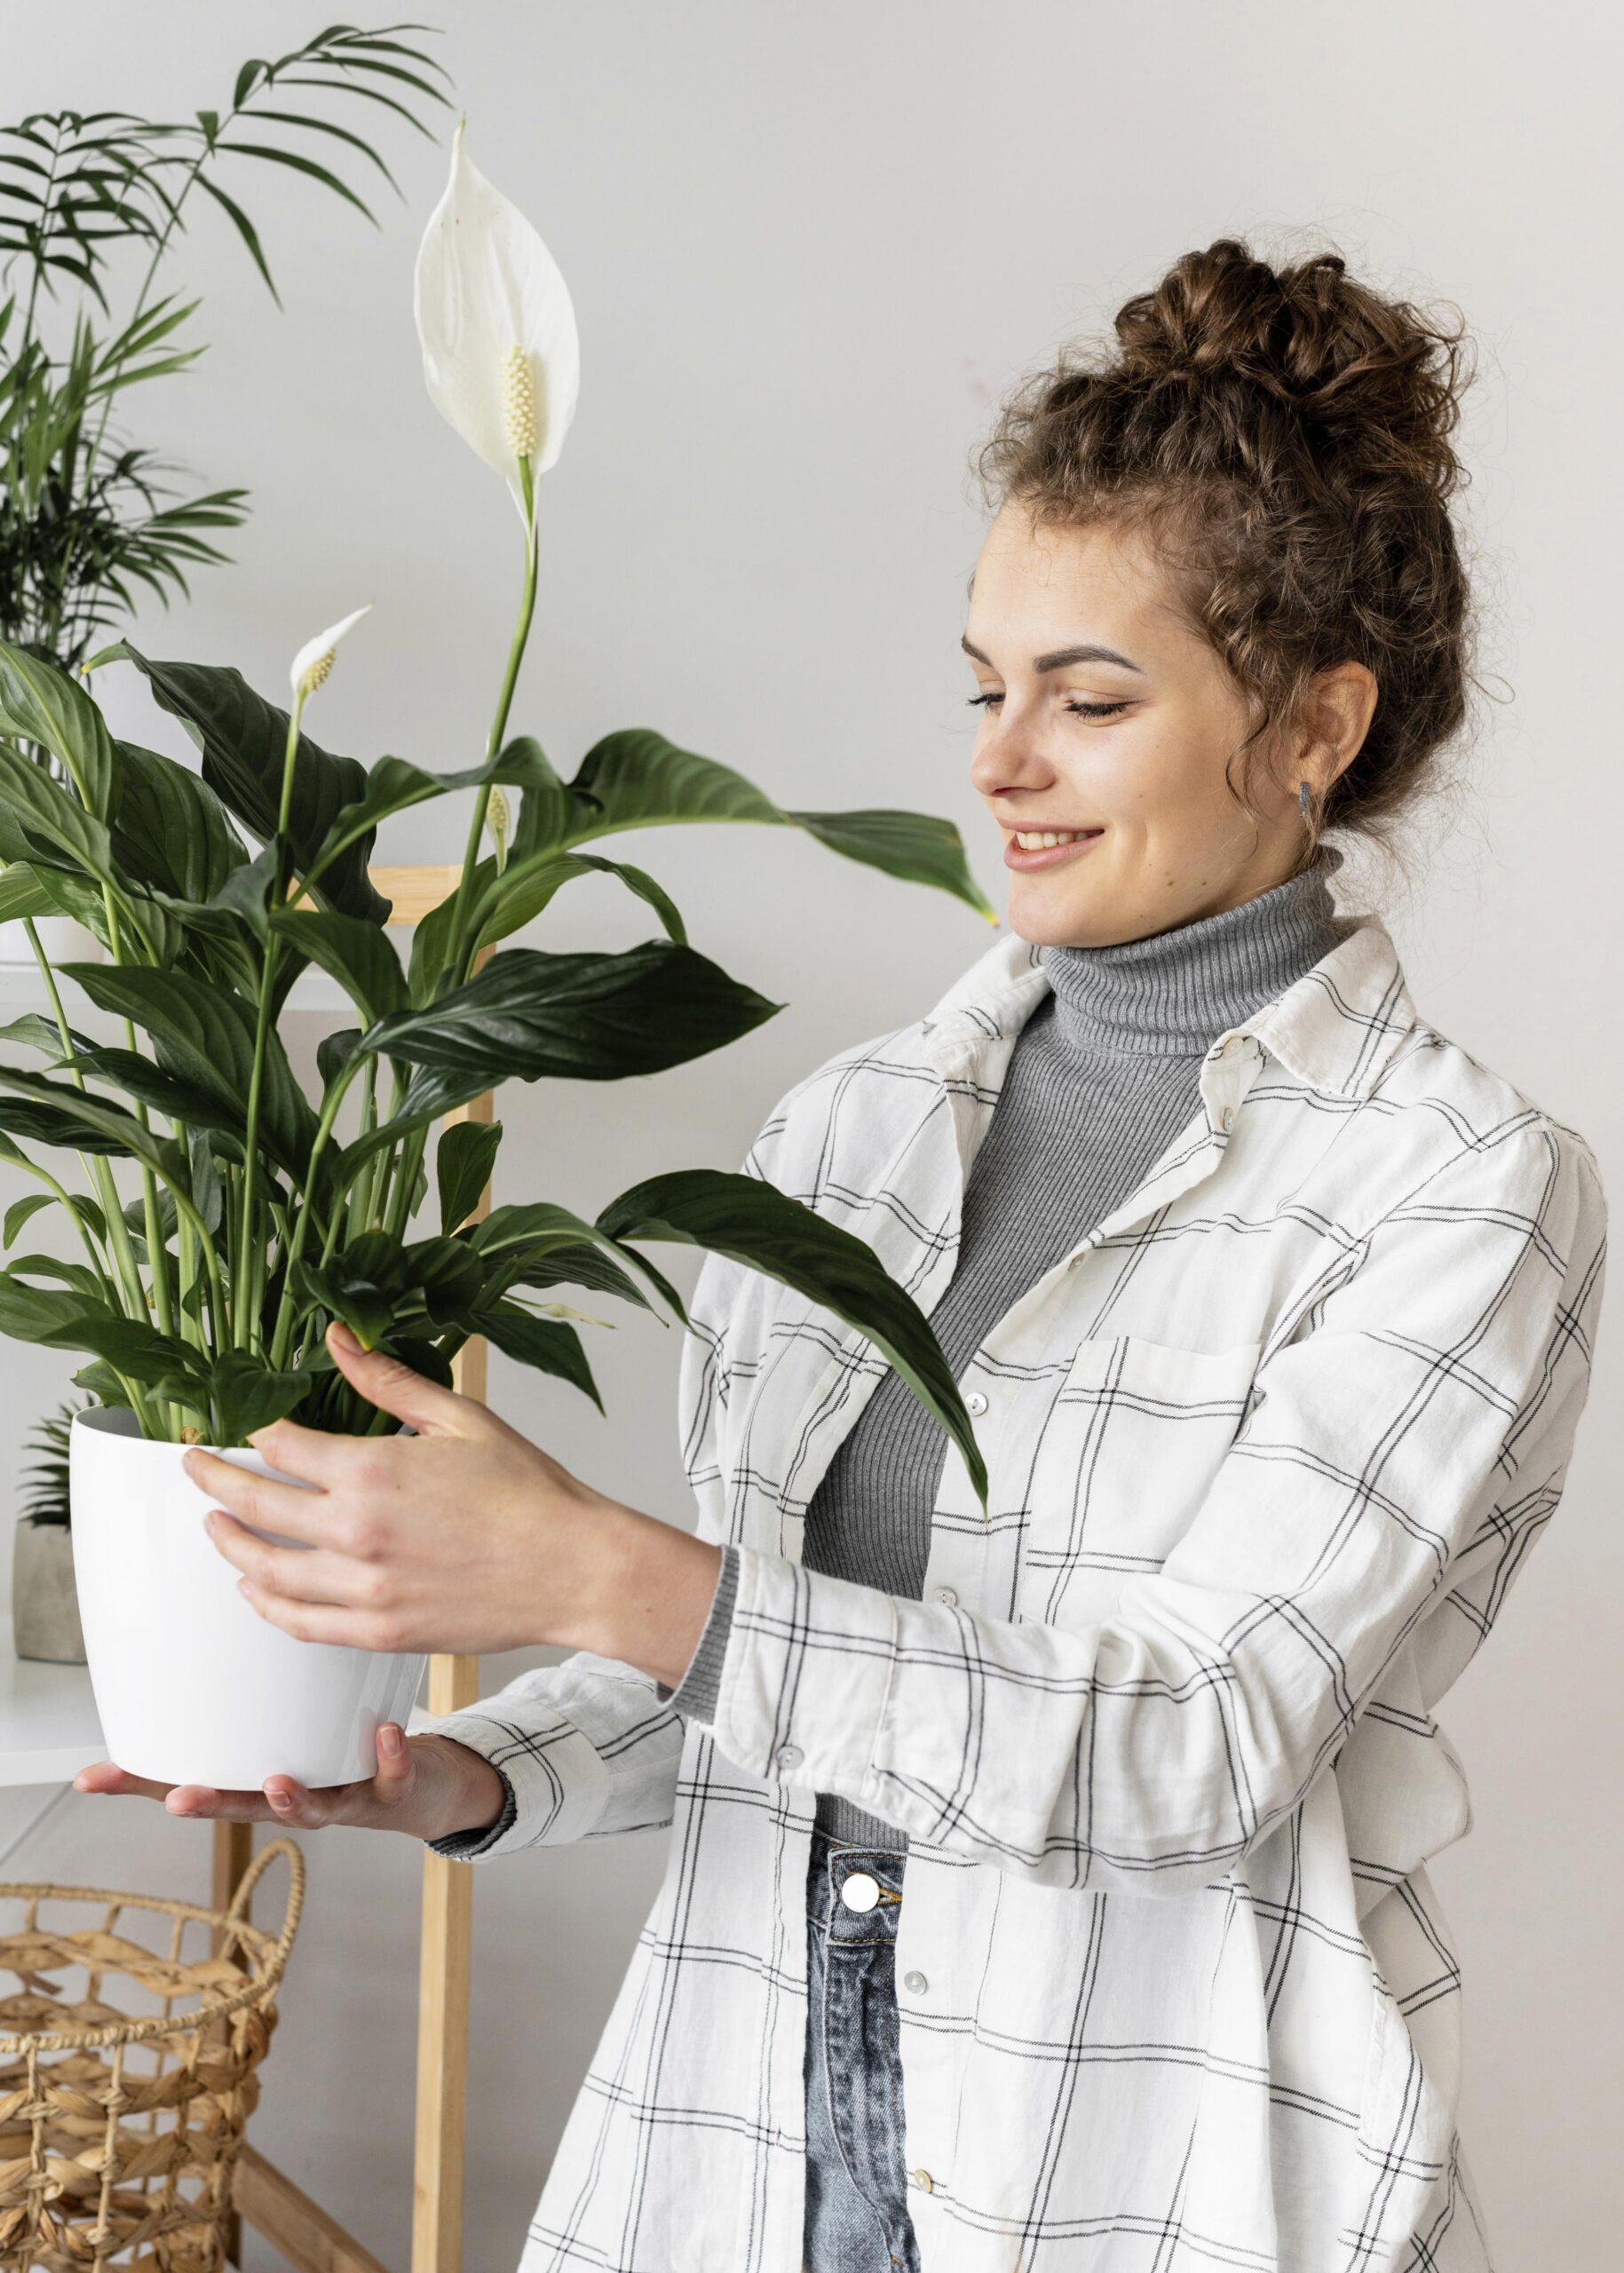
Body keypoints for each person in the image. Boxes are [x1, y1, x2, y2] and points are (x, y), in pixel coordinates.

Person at [78, 238, 1608, 2273]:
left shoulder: (1459, 1188)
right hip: (748, 2119)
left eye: (1090, 696)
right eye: (987, 685)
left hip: (1143, 2166)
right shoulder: (860, 1125)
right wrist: (456, 1771)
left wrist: (601, 1565)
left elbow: (1195, 1744)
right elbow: (774, 1669)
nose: (997, 762)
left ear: (1316, 723)